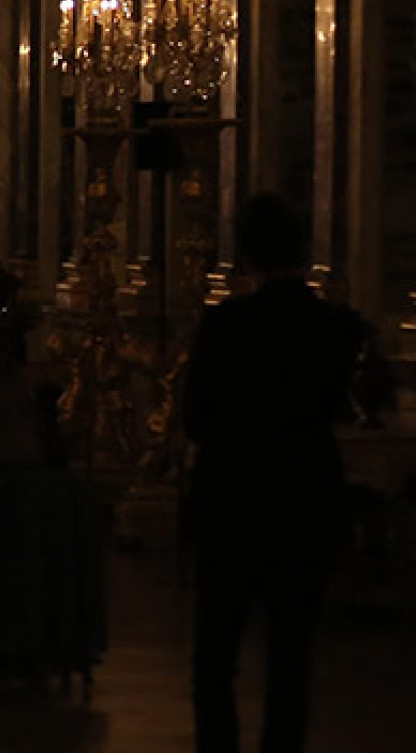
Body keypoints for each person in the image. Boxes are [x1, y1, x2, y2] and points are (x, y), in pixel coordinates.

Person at [187, 193, 367, 753]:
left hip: (232, 501)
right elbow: (338, 404)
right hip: (306, 499)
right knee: (292, 661)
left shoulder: (227, 325)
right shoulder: (338, 328)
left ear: (246, 254)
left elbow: (195, 417)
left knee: (215, 658)